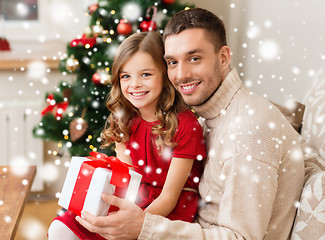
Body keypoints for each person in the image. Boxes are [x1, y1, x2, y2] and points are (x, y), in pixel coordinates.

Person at [75, 7, 306, 240]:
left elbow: (241, 237)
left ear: (224, 57)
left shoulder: (247, 132)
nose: (181, 75)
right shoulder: (205, 114)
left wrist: (144, 227)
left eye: (194, 58)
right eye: (172, 62)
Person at [48, 31, 206, 240]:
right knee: (64, 227)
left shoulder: (185, 125)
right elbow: (128, 181)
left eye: (146, 74)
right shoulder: (123, 120)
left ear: (164, 74)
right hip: (135, 199)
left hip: (168, 211)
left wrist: (132, 224)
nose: (135, 84)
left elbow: (169, 197)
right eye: (126, 76)